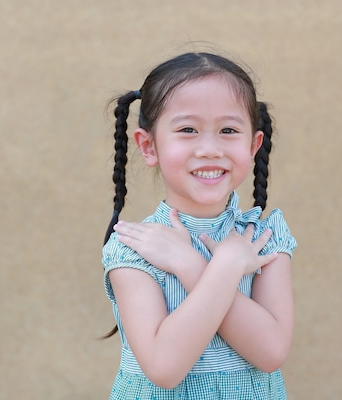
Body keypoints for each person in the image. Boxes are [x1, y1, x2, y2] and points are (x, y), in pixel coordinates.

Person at [101, 51, 297, 399]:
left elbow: (270, 352)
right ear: (149, 146)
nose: (209, 148)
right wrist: (226, 265)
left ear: (253, 145)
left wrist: (191, 265)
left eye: (228, 130)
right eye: (188, 130)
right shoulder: (136, 246)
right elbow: (165, 367)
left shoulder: (264, 237)